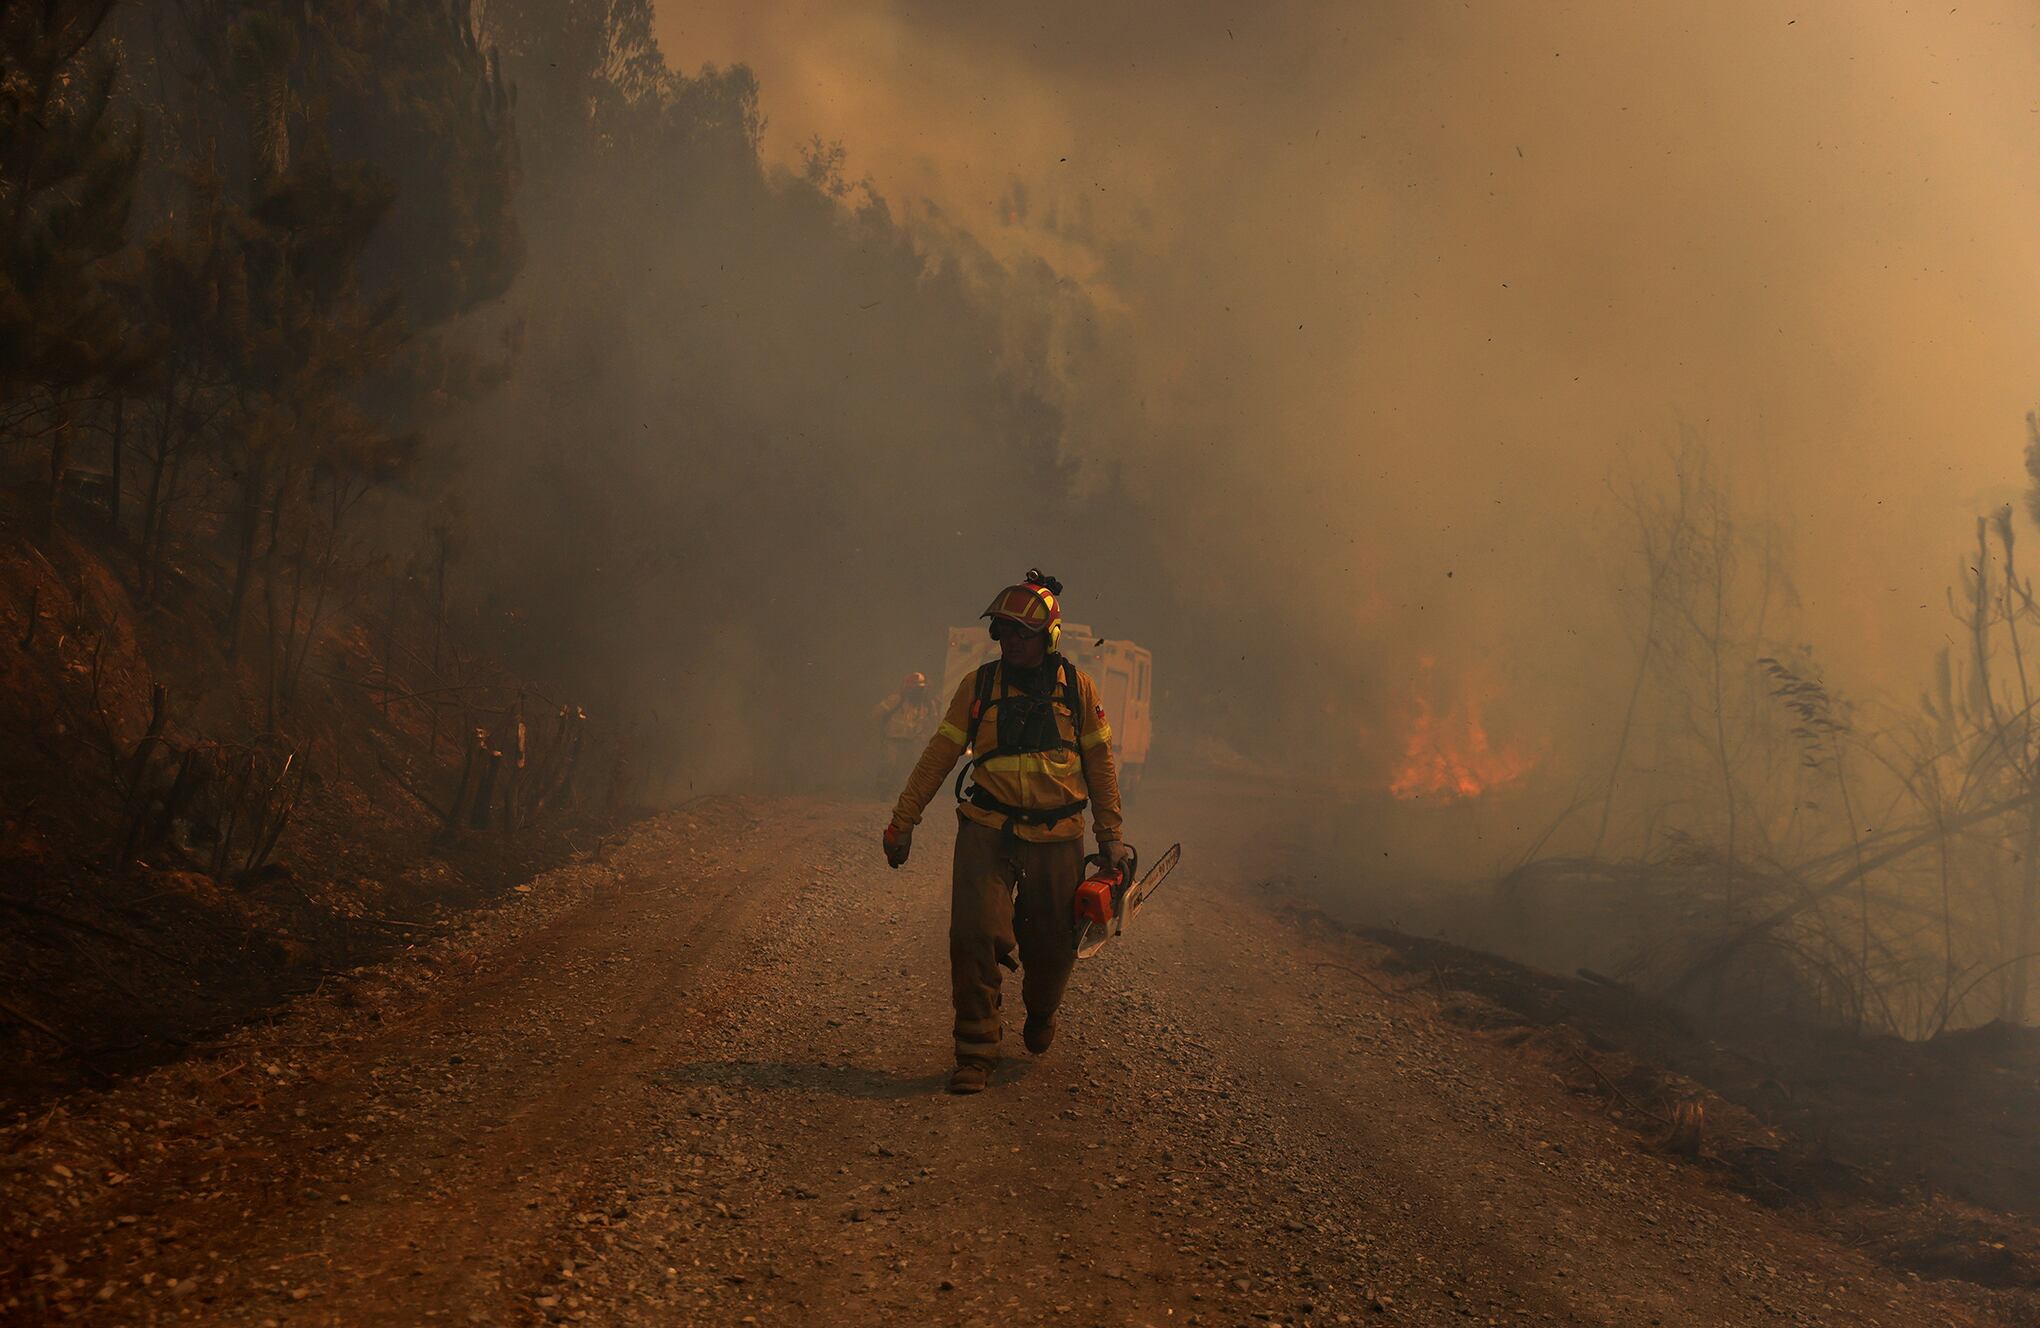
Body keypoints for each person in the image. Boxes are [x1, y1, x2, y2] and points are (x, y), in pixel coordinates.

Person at [882, 571, 1129, 1095]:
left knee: (1051, 947)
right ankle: (975, 1052)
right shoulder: (980, 686)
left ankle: (1040, 1013)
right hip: (987, 830)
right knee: (972, 936)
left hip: (1058, 835)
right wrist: (903, 821)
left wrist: (1111, 837)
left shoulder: (1078, 689)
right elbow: (940, 755)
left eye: (1022, 633)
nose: (1011, 642)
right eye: (1003, 632)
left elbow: (1101, 763)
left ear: (1049, 638)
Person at [873, 672, 937, 791]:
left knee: (906, 768)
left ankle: (897, 790)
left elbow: (933, 722)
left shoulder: (928, 704)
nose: (919, 692)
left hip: (912, 741)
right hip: (892, 739)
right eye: (916, 688)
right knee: (889, 764)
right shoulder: (896, 700)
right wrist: (879, 730)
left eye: (921, 688)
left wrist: (926, 737)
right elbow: (877, 714)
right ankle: (882, 790)